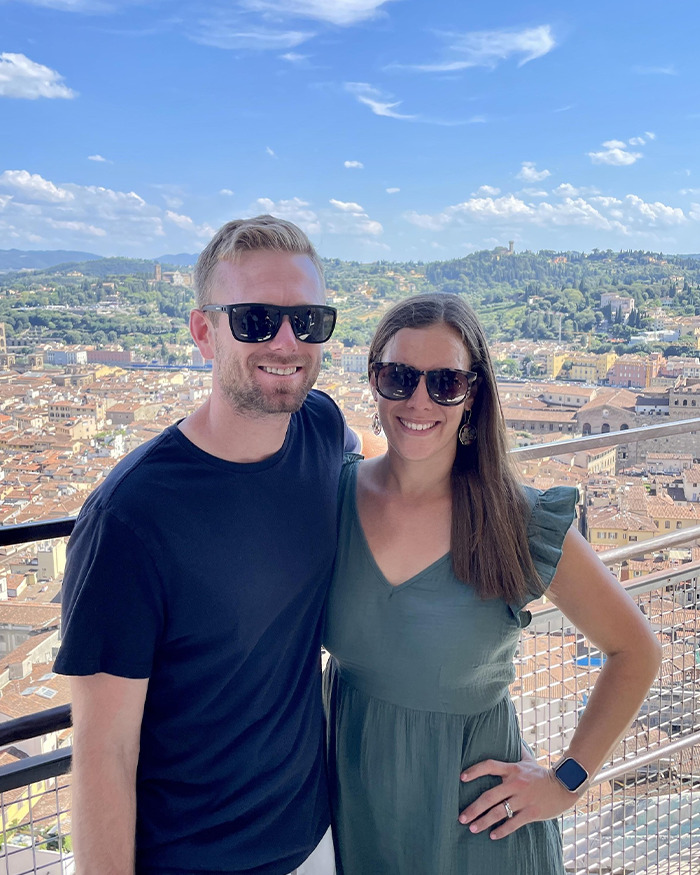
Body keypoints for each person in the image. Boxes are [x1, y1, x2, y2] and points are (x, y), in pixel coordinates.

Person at [54, 216, 358, 875]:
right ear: (203, 332)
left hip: (313, 840)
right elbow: (104, 750)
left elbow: (397, 486)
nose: (287, 341)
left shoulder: (324, 429)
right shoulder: (130, 517)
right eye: (255, 319)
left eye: (308, 321)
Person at [322, 293, 661, 875]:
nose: (419, 401)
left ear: (473, 393)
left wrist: (566, 783)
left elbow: (637, 651)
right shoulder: (330, 497)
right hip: (353, 809)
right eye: (399, 377)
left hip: (478, 830)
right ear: (375, 381)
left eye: (446, 382)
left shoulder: (516, 521)